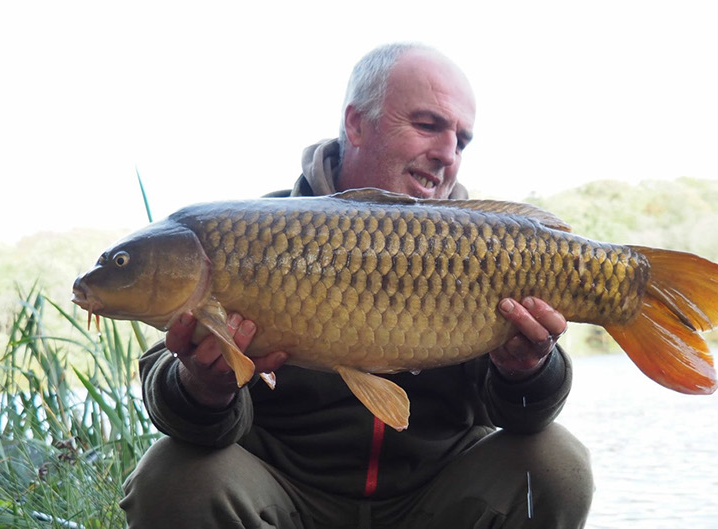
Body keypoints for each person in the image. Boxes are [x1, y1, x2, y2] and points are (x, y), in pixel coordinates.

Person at [121, 43, 593, 528]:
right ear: (356, 124)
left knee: (557, 463)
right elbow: (184, 412)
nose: (448, 153)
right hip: (286, 497)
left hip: (435, 498)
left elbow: (520, 417)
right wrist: (203, 388)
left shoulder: (482, 247)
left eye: (462, 140)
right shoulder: (249, 234)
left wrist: (530, 370)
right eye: (428, 125)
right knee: (172, 474)